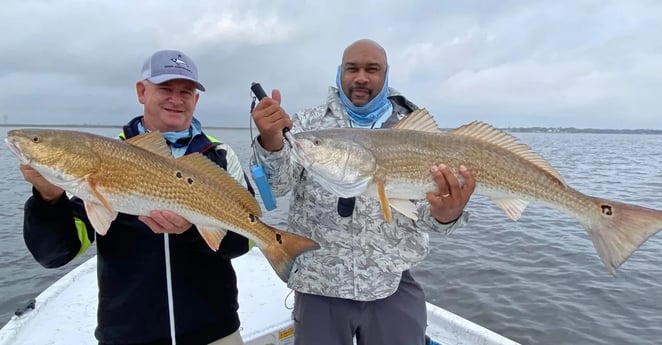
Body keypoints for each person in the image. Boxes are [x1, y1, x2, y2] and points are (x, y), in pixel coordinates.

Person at [250, 39, 476, 345]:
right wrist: (271, 142)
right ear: (339, 73)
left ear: (386, 75)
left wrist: (447, 215)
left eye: (372, 69)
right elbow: (278, 185)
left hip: (393, 283)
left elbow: (425, 215)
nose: (361, 77)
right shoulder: (306, 125)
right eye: (351, 68)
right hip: (319, 284)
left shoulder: (416, 130)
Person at [19, 50, 251, 345]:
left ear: (196, 99)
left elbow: (244, 241)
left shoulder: (220, 155)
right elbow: (56, 254)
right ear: (142, 91)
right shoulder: (102, 157)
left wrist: (192, 228)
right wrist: (49, 199)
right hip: (130, 335)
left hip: (216, 332)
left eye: (186, 92)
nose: (176, 99)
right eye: (165, 89)